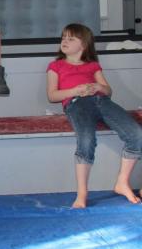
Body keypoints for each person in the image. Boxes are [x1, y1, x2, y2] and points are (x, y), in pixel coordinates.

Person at [47, 23, 142, 208]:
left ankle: (122, 182)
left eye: (70, 38)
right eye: (63, 37)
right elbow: (52, 95)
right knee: (86, 140)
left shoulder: (92, 65)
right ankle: (82, 193)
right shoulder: (56, 66)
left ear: (83, 45)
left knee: (136, 134)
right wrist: (75, 91)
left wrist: (98, 87)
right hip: (77, 104)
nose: (64, 41)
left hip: (101, 102)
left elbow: (108, 91)